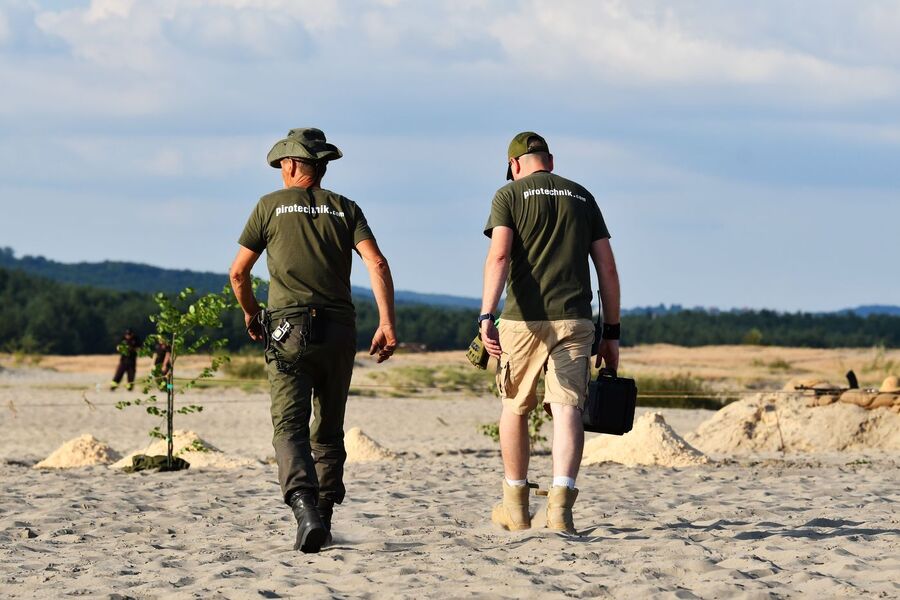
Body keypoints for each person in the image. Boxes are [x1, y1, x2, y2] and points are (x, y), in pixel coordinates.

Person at [229, 128, 397, 554]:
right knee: (329, 426)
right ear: (320, 166)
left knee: (289, 426)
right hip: (340, 329)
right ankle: (323, 513)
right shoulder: (346, 208)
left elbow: (238, 274)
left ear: (289, 165)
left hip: (287, 328)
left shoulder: (268, 207)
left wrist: (251, 313)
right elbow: (376, 262)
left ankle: (304, 510)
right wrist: (387, 323)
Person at [479, 131, 621, 534]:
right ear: (551, 161)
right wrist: (611, 333)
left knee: (515, 408)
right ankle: (560, 508)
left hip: (523, 319)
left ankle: (516, 506)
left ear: (514, 165)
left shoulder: (508, 196)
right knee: (568, 409)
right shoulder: (582, 197)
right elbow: (607, 269)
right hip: (577, 319)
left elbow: (500, 255)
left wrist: (486, 315)